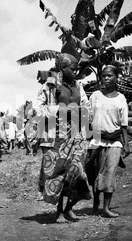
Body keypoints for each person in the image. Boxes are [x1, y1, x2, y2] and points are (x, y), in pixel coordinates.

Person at [34, 53, 92, 223]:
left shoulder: (78, 86)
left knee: (77, 172)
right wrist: (58, 111)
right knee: (59, 173)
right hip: (57, 136)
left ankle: (69, 208)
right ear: (62, 68)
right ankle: (59, 211)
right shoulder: (51, 86)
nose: (75, 72)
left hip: (77, 134)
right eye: (72, 69)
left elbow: (86, 105)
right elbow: (38, 107)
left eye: (76, 69)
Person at [85, 65, 130, 218]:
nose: (105, 78)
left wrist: (126, 143)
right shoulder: (95, 96)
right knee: (95, 171)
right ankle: (96, 202)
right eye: (103, 76)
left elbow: (124, 123)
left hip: (115, 140)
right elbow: (89, 118)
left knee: (109, 172)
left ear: (116, 78)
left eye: (109, 75)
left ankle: (106, 208)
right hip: (97, 137)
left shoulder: (121, 98)